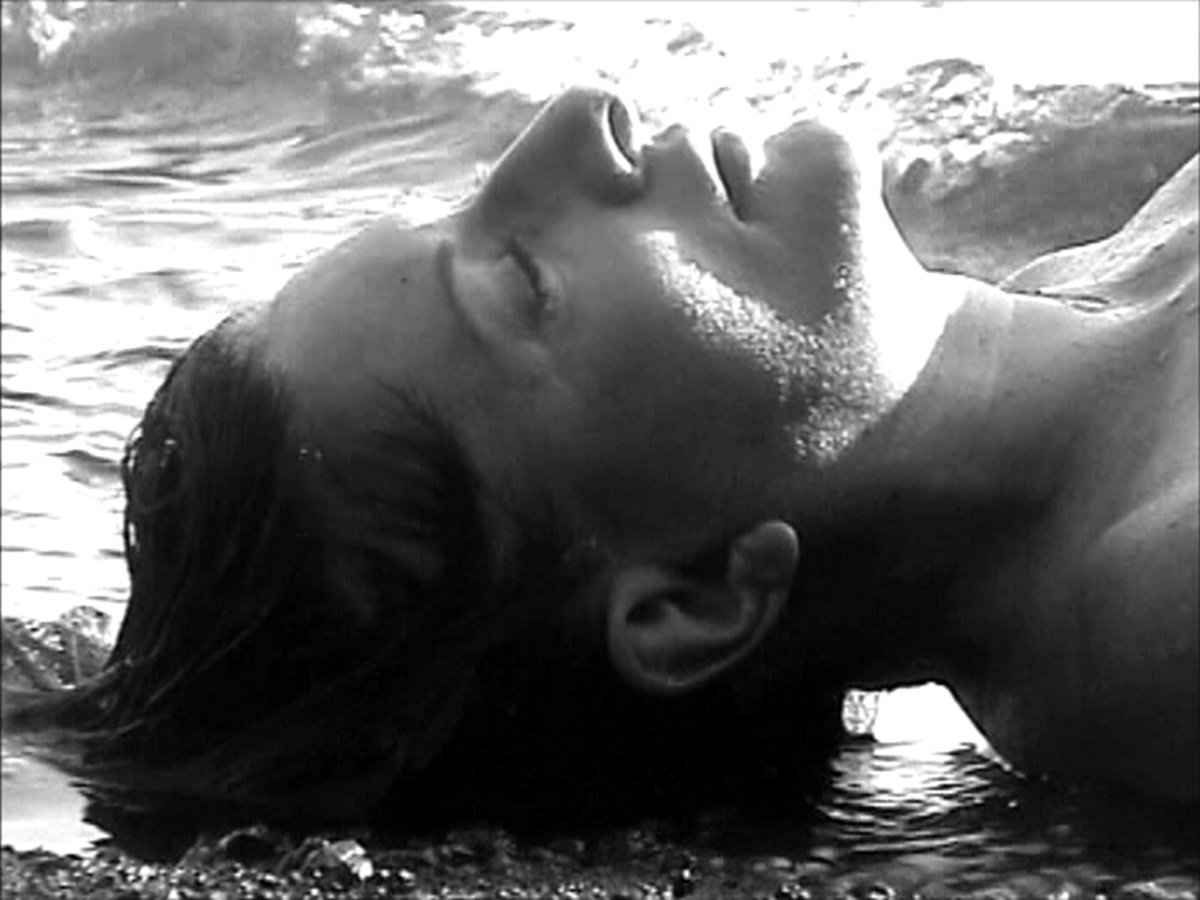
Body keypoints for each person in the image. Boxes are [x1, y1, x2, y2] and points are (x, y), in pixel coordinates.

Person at [6, 87, 1196, 826]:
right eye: (527, 281)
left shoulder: (1113, 295)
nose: (577, 121)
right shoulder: (1161, 604)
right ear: (692, 603)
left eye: (470, 199)